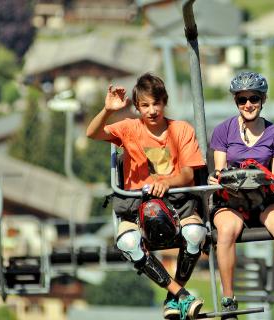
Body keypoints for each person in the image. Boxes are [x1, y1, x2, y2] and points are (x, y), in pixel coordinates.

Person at [86, 73, 207, 320]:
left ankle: (173, 299)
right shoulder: (129, 128)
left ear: (164, 102)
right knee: (128, 242)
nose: (151, 111)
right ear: (138, 107)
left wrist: (166, 182)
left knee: (195, 234)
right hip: (137, 205)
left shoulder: (181, 130)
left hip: (176, 202)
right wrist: (108, 110)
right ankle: (181, 294)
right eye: (145, 105)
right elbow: (92, 133)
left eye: (156, 104)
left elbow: (187, 175)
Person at [208, 71, 274, 320]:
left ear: (263, 100)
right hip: (232, 199)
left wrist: (259, 179)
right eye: (242, 100)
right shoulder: (223, 131)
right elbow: (219, 171)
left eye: (254, 99)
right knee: (226, 231)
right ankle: (229, 301)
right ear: (236, 102)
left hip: (265, 197)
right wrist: (221, 179)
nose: (248, 104)